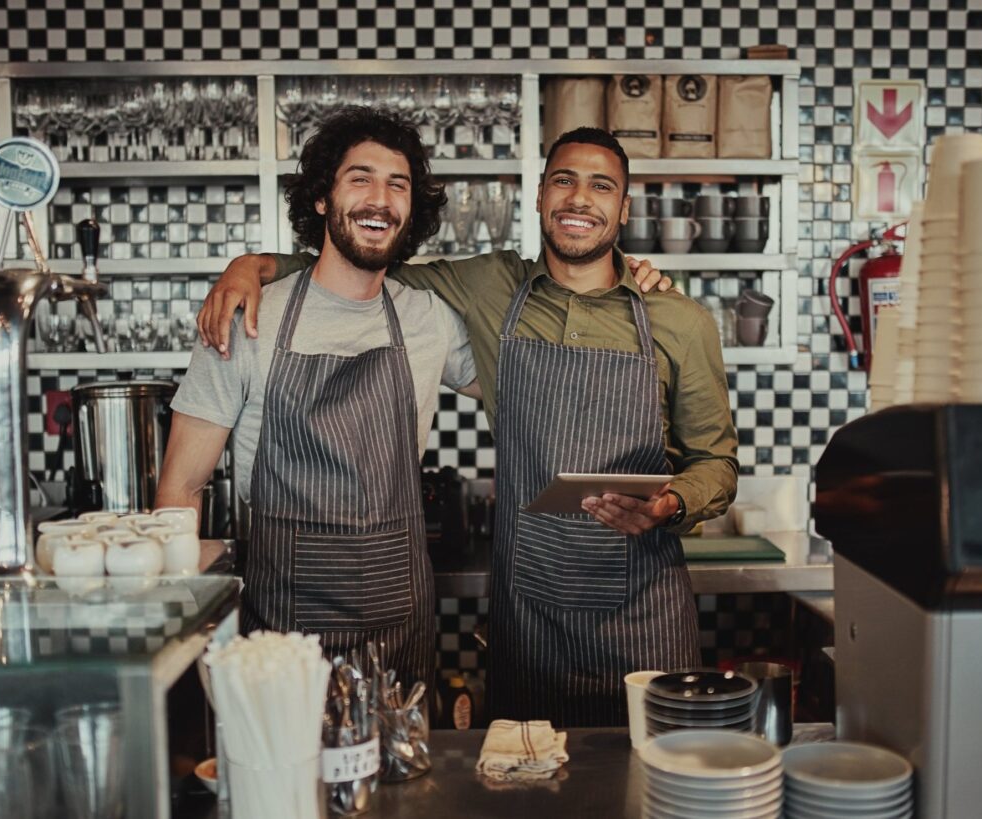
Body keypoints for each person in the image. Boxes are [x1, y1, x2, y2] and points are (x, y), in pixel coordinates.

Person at [197, 127, 738, 727]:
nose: (580, 199)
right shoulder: (489, 286)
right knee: (527, 779)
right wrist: (251, 265)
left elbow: (717, 462)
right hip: (527, 620)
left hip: (642, 613)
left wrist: (672, 503)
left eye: (601, 186)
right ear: (538, 196)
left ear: (624, 207)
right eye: (564, 180)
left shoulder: (680, 320)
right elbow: (358, 262)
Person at [155, 107, 480, 691]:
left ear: (412, 210)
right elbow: (180, 488)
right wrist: (177, 626)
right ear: (323, 201)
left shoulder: (430, 318)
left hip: (399, 629)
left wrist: (618, 277)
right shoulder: (248, 317)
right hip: (283, 637)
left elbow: (527, 389)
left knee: (400, 782)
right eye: (360, 178)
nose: (380, 199)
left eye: (397, 184)